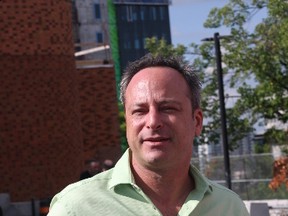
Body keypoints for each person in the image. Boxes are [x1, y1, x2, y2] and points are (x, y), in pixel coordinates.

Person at [48, 54, 249, 216]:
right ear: (127, 123)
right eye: (140, 111)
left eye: (168, 108)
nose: (153, 121)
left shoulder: (229, 208)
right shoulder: (75, 208)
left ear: (196, 121)